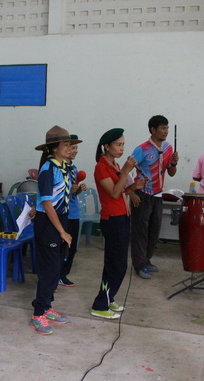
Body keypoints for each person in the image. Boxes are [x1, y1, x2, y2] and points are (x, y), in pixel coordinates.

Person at [29, 126, 82, 335]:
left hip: (61, 218)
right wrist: (61, 231)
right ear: (55, 148)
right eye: (66, 145)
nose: (70, 148)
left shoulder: (66, 167)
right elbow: (47, 204)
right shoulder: (48, 170)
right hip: (48, 223)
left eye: (70, 144)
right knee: (49, 270)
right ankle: (38, 314)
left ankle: (47, 306)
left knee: (57, 266)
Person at [91, 129, 145, 319]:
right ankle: (100, 304)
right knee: (116, 264)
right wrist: (126, 172)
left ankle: (109, 296)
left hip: (122, 216)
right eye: (118, 145)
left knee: (118, 263)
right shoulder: (101, 167)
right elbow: (113, 193)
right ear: (107, 146)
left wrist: (134, 186)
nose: (122, 148)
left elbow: (122, 190)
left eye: (123, 144)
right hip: (112, 219)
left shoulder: (114, 165)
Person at [130, 115, 179, 279]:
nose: (166, 131)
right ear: (153, 130)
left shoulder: (168, 148)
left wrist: (174, 163)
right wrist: (131, 192)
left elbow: (171, 173)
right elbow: (126, 170)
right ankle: (139, 265)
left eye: (167, 128)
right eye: (163, 128)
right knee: (140, 232)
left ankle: (146, 260)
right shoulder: (142, 149)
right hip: (142, 194)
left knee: (154, 231)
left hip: (158, 195)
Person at [59, 136, 87, 288]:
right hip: (64, 214)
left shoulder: (74, 169)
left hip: (74, 213)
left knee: (72, 248)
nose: (75, 151)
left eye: (76, 148)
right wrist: (70, 190)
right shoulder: (59, 168)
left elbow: (72, 193)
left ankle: (63, 275)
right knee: (61, 247)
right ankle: (56, 276)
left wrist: (78, 190)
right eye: (72, 147)